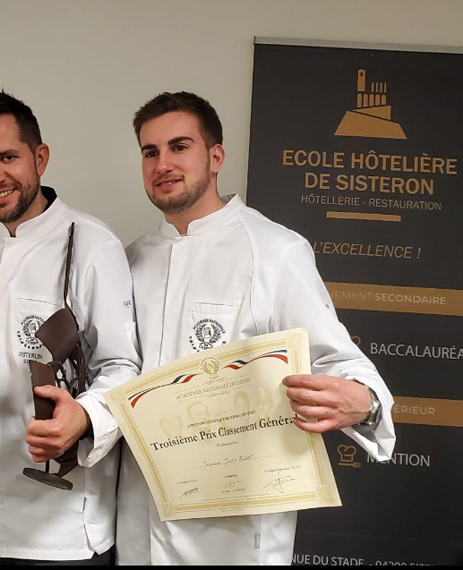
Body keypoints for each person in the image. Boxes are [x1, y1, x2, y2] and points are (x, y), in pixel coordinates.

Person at [118, 91, 397, 565]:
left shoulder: (273, 249)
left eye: (179, 146)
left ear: (216, 156)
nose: (163, 163)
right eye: (150, 152)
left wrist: (365, 402)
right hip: (138, 521)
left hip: (234, 532)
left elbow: (342, 363)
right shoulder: (131, 259)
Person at [0, 91, 141, 564]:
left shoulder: (93, 244)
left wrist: (84, 418)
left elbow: (124, 366)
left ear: (40, 157)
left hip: (57, 529)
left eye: (7, 157)